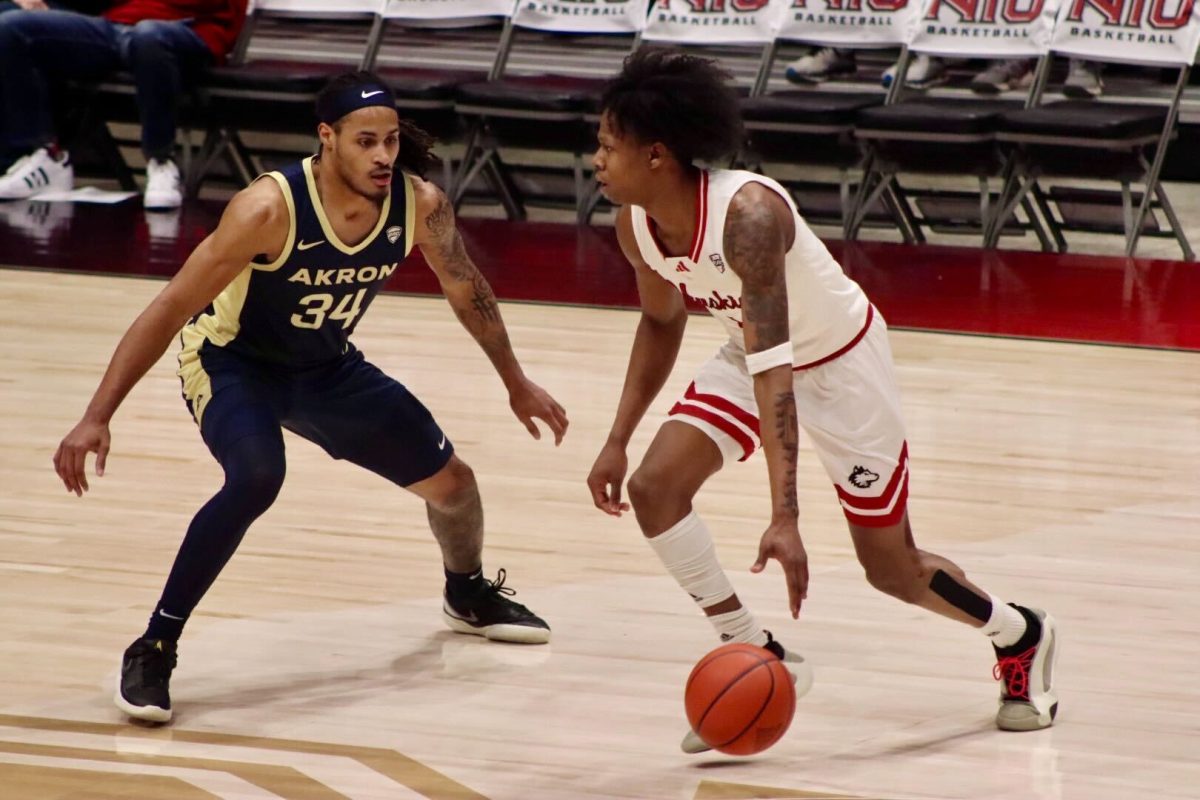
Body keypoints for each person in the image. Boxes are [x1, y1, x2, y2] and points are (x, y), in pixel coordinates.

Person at [53, 71, 569, 723]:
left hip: (325, 368)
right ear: (327, 139)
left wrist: (515, 381)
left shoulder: (419, 204)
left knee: (457, 486)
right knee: (257, 476)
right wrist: (97, 415)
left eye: (389, 140)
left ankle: (465, 592)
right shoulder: (267, 209)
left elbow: (468, 288)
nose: (383, 156)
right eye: (365, 142)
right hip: (232, 362)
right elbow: (170, 304)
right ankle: (155, 643)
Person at [586, 48, 1059, 754]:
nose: (595, 160)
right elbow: (662, 321)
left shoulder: (748, 215)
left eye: (606, 145)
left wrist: (786, 515)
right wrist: (618, 436)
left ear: (656, 155)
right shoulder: (636, 226)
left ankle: (1020, 635)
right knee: (655, 489)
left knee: (891, 569)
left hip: (839, 367)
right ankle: (759, 654)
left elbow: (779, 373)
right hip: (751, 354)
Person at [0, 0, 246, 209]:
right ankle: (45, 158)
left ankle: (161, 161)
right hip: (117, 24)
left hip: (189, 28)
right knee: (10, 27)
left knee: (148, 36)